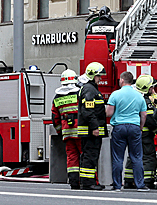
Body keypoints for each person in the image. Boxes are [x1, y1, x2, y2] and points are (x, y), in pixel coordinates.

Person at [106, 71, 149, 192]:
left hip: (119, 127)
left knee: (118, 157)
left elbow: (109, 113)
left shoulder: (115, 94)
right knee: (136, 157)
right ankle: (140, 185)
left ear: (122, 80)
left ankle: (117, 185)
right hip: (134, 127)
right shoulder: (139, 96)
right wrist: (140, 128)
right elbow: (144, 115)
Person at [124, 74, 157, 189]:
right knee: (148, 156)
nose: (153, 90)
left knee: (132, 155)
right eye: (151, 88)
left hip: (131, 131)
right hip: (144, 134)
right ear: (146, 88)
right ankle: (147, 180)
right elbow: (149, 119)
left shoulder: (131, 97)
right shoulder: (145, 101)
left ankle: (129, 180)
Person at [77, 62, 108, 190]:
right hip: (91, 131)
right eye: (98, 76)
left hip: (90, 130)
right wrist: (95, 127)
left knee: (89, 155)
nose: (100, 78)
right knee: (90, 156)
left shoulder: (91, 89)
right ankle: (88, 183)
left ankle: (87, 181)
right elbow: (88, 111)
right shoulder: (89, 90)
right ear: (92, 75)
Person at [51, 69, 82, 189]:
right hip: (80, 131)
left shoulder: (57, 97)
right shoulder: (78, 94)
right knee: (84, 155)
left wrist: (60, 131)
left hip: (67, 132)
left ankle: (74, 182)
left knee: (72, 157)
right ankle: (86, 181)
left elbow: (55, 118)